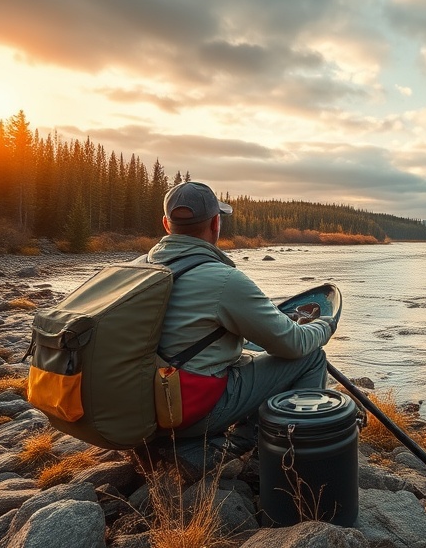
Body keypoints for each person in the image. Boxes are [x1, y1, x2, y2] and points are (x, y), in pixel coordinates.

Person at [143, 181, 335, 472]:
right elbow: (293, 344)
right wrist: (324, 326)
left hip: (144, 408)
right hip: (187, 411)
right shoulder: (223, 280)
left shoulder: (139, 267)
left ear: (166, 224)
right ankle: (284, 461)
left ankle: (214, 444)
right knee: (311, 357)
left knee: (245, 358)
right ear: (215, 223)